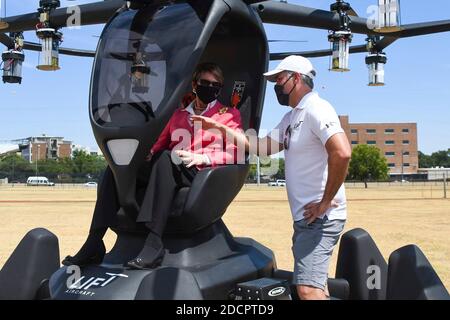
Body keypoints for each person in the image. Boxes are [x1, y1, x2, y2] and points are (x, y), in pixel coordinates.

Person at [193, 55, 352, 300]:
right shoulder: (292, 117)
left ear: (296, 78)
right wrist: (222, 129)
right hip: (306, 218)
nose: (277, 86)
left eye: (280, 79)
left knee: (308, 291)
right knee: (316, 287)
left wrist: (325, 202)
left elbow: (341, 153)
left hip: (321, 218)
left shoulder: (316, 109)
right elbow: (262, 147)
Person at [62, 62, 243, 269]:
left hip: (201, 170)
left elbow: (236, 152)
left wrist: (205, 158)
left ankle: (154, 242)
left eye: (215, 85)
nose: (210, 88)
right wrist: (143, 155)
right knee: (117, 167)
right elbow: (160, 143)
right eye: (205, 83)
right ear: (194, 84)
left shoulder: (227, 115)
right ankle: (94, 241)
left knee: (167, 158)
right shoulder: (178, 115)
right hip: (173, 163)